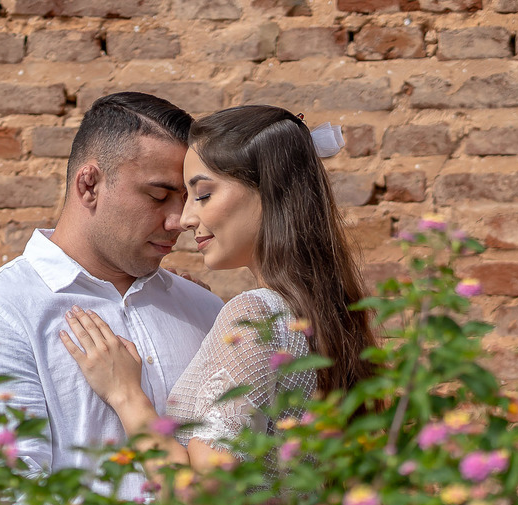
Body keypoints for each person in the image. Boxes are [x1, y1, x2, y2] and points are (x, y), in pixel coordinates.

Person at [0, 92, 224, 500]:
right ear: (89, 184)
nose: (179, 221)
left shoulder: (207, 311)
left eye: (187, 198)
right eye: (158, 196)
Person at [60, 105, 378, 471]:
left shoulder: (254, 314)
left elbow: (205, 500)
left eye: (204, 195)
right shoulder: (318, 312)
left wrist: (127, 395)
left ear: (270, 193)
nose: (186, 218)